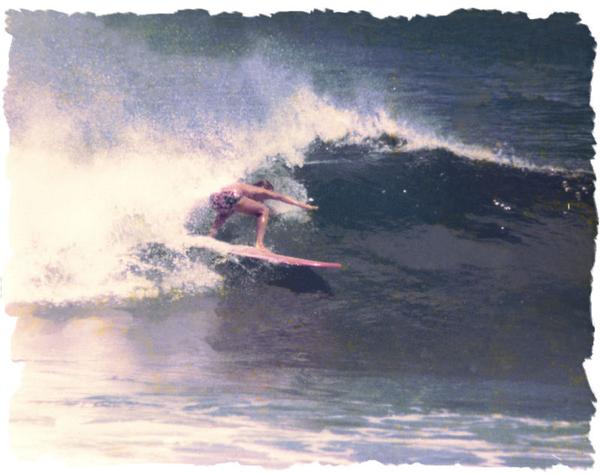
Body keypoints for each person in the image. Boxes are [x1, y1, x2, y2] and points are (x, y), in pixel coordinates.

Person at [208, 180, 318, 251]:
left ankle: (210, 237)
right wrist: (303, 205)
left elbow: (225, 209)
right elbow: (280, 197)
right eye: (265, 196)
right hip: (231, 195)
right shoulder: (260, 190)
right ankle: (259, 244)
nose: (264, 199)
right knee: (264, 210)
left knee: (225, 214)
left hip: (214, 199)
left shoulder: (242, 190)